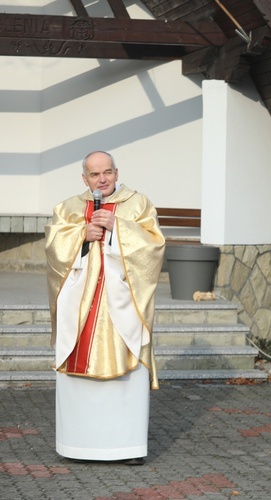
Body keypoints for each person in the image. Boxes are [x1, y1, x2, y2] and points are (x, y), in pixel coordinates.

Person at [44, 150, 165, 465]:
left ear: (116, 171)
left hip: (121, 306)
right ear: (84, 178)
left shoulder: (138, 204)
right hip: (80, 306)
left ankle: (127, 448)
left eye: (107, 172)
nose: (102, 179)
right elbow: (53, 249)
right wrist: (82, 236)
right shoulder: (68, 208)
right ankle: (77, 444)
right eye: (95, 174)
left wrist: (117, 228)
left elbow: (154, 247)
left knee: (125, 375)